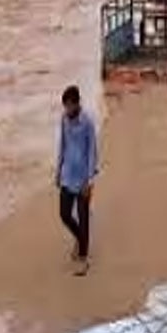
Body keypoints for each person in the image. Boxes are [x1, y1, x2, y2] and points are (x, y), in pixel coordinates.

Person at [56, 85, 98, 276]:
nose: (67, 110)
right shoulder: (64, 119)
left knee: (83, 218)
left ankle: (83, 257)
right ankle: (79, 238)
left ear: (77, 103)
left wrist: (90, 181)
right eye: (65, 107)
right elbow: (62, 146)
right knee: (64, 214)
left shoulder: (87, 122)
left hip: (82, 178)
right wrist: (57, 171)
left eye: (69, 106)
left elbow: (92, 152)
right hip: (66, 175)